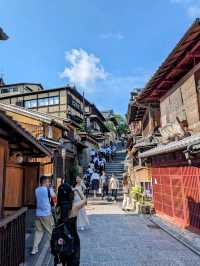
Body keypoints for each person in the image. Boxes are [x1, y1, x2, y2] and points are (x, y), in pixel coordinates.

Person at [56, 182, 87, 266]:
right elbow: (84, 200)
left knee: (61, 261)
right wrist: (77, 189)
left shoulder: (57, 209)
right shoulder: (75, 207)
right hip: (73, 239)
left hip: (60, 239)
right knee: (73, 262)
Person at [31, 175, 56, 255]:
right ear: (45, 182)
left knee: (38, 231)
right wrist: (51, 189)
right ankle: (53, 248)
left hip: (38, 213)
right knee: (50, 231)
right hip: (46, 213)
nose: (49, 183)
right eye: (48, 182)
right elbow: (54, 197)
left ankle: (34, 249)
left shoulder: (36, 190)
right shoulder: (48, 190)